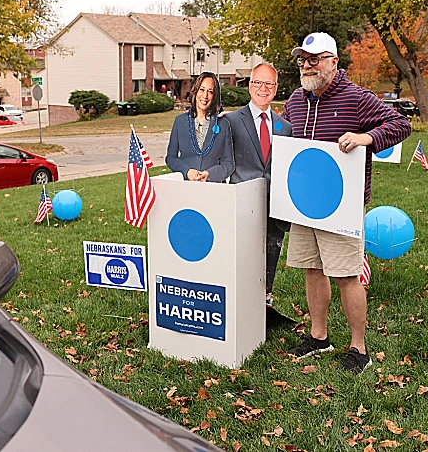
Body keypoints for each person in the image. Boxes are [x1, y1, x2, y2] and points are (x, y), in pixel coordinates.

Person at [281, 32, 411, 373]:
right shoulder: (295, 101)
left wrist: (366, 137)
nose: (307, 66)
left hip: (341, 206)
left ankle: (359, 348)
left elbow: (400, 124)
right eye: (302, 60)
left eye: (314, 59)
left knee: (346, 275)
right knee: (312, 269)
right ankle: (319, 337)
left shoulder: (355, 98)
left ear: (333, 62)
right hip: (303, 205)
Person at [224, 63, 293, 327]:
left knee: (270, 254)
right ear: (249, 86)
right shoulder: (231, 121)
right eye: (258, 83)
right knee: (243, 255)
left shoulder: (284, 127)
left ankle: (266, 305)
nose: (263, 89)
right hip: (243, 203)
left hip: (274, 204)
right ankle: (241, 308)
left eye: (269, 84)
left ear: (276, 89)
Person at [166, 72, 234, 183]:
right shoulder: (180, 121)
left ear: (215, 96)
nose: (205, 96)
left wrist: (210, 174)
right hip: (187, 187)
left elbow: (229, 164)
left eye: (210, 92)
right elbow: (171, 158)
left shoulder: (223, 125)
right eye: (202, 90)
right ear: (195, 91)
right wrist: (187, 171)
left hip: (213, 188)